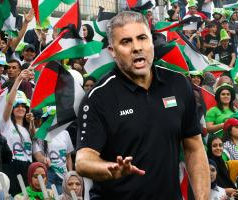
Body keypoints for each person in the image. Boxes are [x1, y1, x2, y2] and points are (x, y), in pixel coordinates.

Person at [75, 11, 209, 200]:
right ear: (112, 51)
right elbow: (83, 160)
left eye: (142, 38)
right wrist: (110, 169)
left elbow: (194, 146)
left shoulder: (178, 83)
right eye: (126, 42)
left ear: (151, 42)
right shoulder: (97, 98)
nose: (137, 47)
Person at [1, 69, 34, 195]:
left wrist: (31, 122)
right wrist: (19, 79)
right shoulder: (6, 123)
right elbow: (9, 102)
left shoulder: (27, 127)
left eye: (23, 106)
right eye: (17, 106)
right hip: (11, 166)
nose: (20, 108)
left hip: (28, 167)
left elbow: (35, 138)